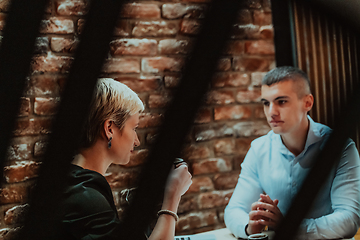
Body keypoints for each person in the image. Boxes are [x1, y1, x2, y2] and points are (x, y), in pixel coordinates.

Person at [224, 66, 360, 239]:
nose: (271, 112)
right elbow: (234, 210)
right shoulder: (259, 149)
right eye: (266, 103)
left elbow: (349, 220)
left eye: (281, 101)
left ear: (307, 103)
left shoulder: (341, 147)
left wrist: (289, 226)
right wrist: (250, 227)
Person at [60, 78, 192, 240]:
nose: (137, 141)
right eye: (134, 128)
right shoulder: (87, 199)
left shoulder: (75, 181)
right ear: (109, 129)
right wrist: (172, 197)